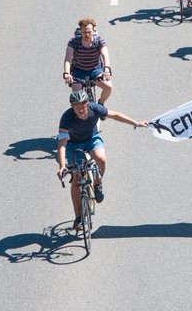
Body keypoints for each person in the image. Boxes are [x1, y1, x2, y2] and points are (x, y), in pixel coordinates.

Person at [56, 89, 148, 232]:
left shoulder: (95, 108)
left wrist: (135, 123)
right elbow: (62, 143)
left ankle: (98, 183)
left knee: (101, 159)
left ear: (87, 103)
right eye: (77, 106)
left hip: (92, 139)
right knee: (76, 178)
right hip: (73, 144)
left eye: (83, 105)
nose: (80, 109)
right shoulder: (67, 117)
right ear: (72, 106)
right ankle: (78, 217)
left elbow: (115, 115)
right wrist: (62, 166)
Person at [63, 17, 113, 103]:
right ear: (80, 32)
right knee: (77, 97)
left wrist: (107, 69)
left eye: (89, 32)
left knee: (108, 87)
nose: (87, 35)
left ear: (93, 31)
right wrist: (67, 73)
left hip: (95, 70)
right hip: (78, 71)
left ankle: (101, 103)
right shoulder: (74, 42)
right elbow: (68, 58)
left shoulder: (99, 41)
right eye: (84, 32)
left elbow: (105, 55)